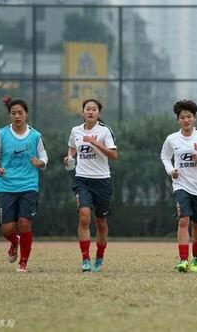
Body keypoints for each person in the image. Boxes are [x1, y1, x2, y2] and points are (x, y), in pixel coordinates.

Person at [0, 95, 48, 273]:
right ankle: (14, 242)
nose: (17, 116)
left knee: (24, 224)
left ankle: (23, 263)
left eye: (20, 113)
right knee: (7, 229)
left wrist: (40, 162)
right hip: (6, 186)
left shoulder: (35, 135)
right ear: (10, 115)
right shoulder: (2, 134)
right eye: (13, 113)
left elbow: (44, 156)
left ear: (26, 114)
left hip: (29, 185)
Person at [160, 99, 197, 273]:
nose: (186, 120)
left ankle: (195, 258)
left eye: (189, 117)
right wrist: (171, 170)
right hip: (181, 185)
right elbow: (164, 157)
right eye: (182, 117)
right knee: (183, 220)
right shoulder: (172, 139)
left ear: (195, 118)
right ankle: (183, 260)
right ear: (178, 120)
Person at [64, 99, 118, 273]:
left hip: (102, 181)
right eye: (87, 109)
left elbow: (114, 154)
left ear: (99, 114)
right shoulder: (75, 131)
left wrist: (95, 143)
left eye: (94, 109)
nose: (90, 112)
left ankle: (99, 256)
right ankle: (85, 259)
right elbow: (72, 147)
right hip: (82, 180)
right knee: (84, 217)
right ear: (82, 112)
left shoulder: (104, 131)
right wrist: (69, 158)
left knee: (101, 221)